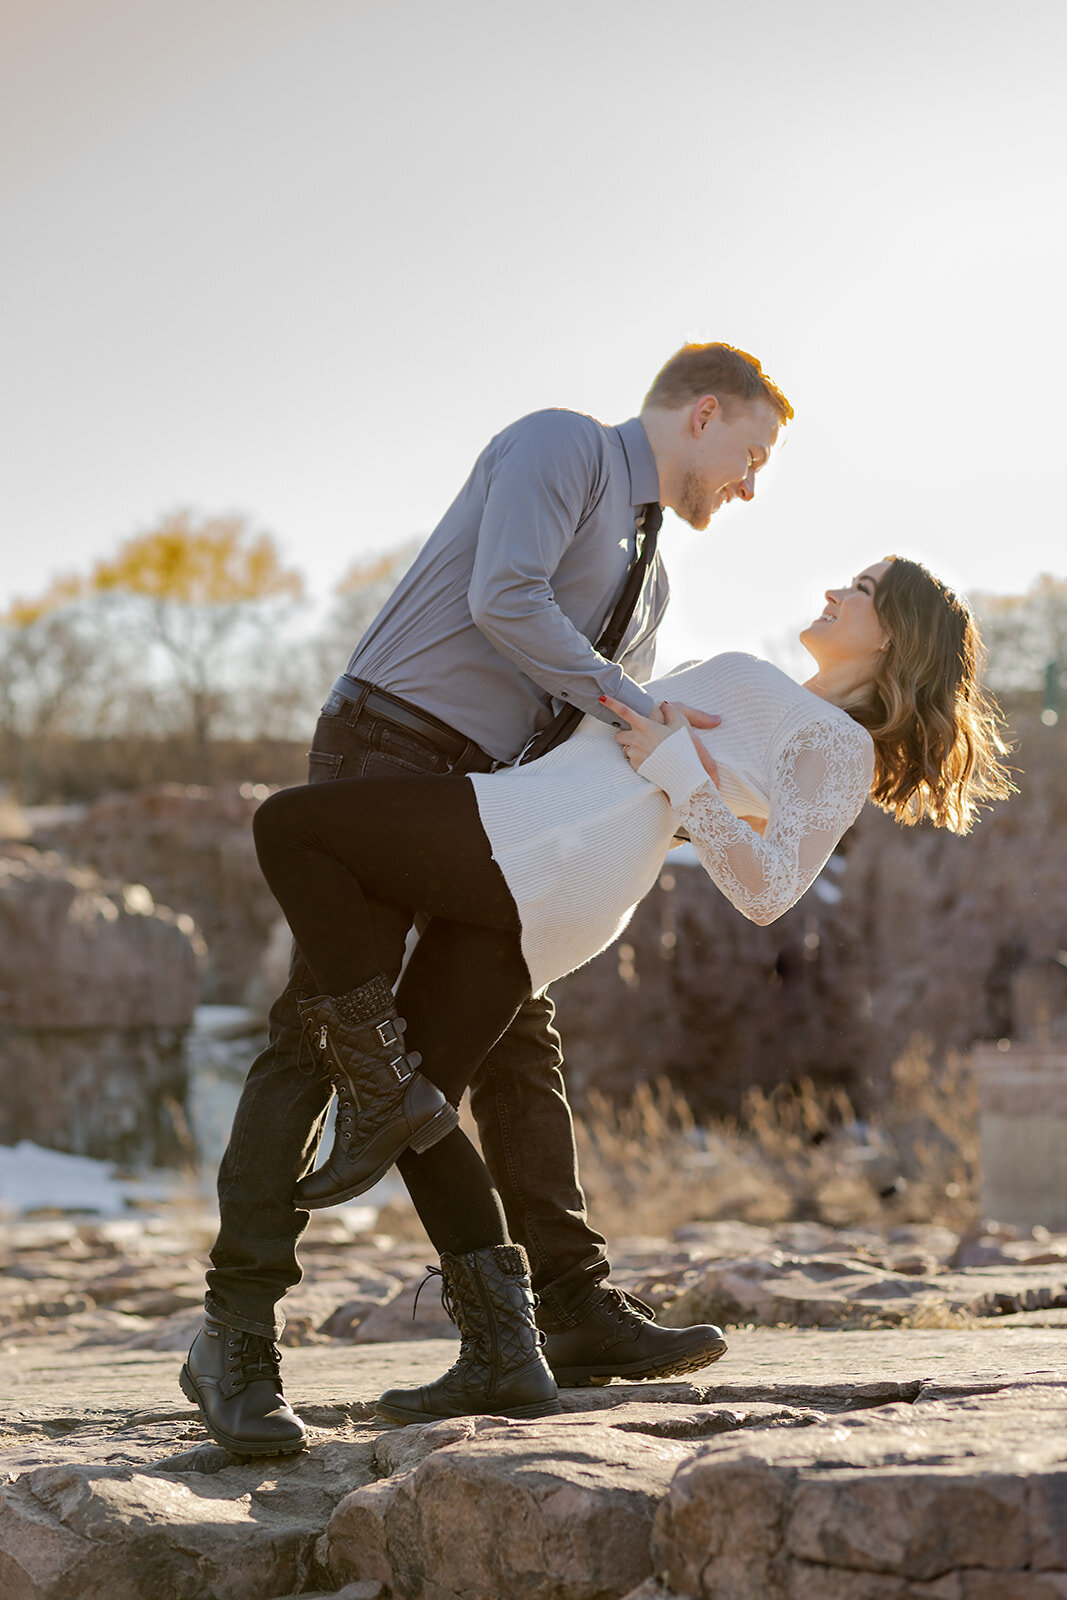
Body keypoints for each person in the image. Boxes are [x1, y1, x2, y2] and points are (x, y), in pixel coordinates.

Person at [233, 554, 1011, 1428]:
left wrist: (681, 768)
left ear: (897, 636)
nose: (834, 590)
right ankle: (503, 1353)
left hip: (544, 843)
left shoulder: (836, 743)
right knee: (419, 1103)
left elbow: (766, 891)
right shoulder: (799, 712)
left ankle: (368, 1072)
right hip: (555, 851)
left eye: (861, 590)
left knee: (291, 827)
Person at [184, 342, 791, 1456]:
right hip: (386, 752)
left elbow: (601, 732)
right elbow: (503, 598)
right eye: (749, 454)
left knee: (521, 1033)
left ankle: (565, 1305)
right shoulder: (562, 444)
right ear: (703, 413)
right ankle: (233, 1332)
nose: (747, 484)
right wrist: (625, 697)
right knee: (315, 1039)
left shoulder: (652, 577)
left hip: (489, 805)